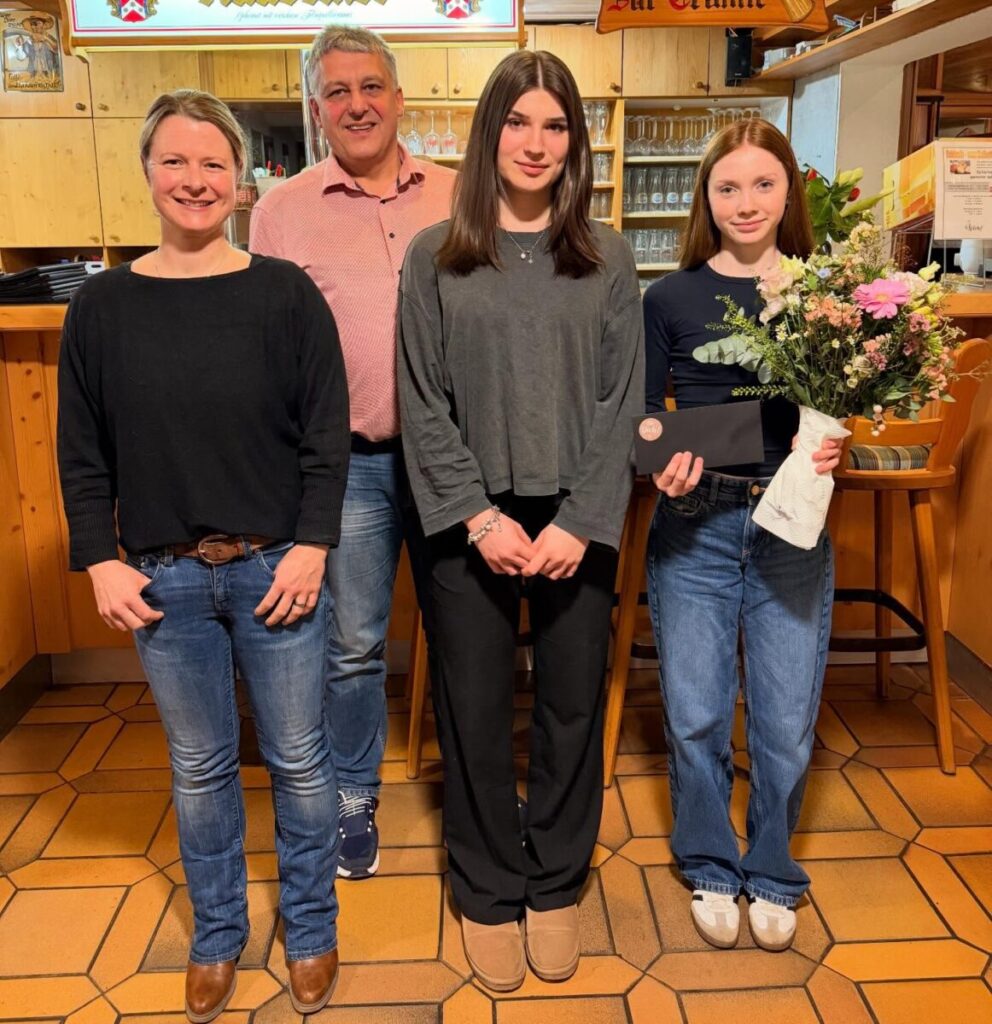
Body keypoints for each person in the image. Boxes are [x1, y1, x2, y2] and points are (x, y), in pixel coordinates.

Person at [57, 90, 350, 1021]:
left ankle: (311, 927)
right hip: (163, 579)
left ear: (241, 179)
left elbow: (326, 433)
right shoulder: (101, 306)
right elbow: (82, 450)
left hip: (275, 569)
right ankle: (218, 934)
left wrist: (314, 545)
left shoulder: (284, 293)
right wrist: (99, 558)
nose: (195, 180)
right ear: (147, 173)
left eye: (213, 163)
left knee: (300, 758)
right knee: (200, 766)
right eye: (175, 162)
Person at [398, 50, 643, 992]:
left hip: (578, 518)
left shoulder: (607, 256)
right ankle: (489, 888)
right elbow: (422, 400)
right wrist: (475, 515)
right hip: (470, 520)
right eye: (518, 122)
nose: (536, 143)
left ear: (574, 142)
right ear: (488, 132)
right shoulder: (437, 255)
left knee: (573, 704)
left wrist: (582, 519)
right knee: (473, 707)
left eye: (555, 125)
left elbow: (622, 401)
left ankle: (555, 880)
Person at [250, 27, 456, 880]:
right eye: (337, 91)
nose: (357, 104)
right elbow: (267, 351)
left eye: (371, 87)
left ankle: (474, 798)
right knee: (355, 645)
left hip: (454, 464)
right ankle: (352, 798)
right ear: (317, 109)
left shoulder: (457, 194)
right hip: (352, 466)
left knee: (464, 635)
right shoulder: (281, 211)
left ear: (399, 98)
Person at [642, 118, 842, 954]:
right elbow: (647, 415)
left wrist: (836, 436)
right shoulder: (669, 298)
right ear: (706, 198)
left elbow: (843, 395)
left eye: (763, 184)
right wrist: (661, 463)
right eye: (728, 187)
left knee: (786, 718)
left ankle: (772, 867)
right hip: (698, 521)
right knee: (695, 712)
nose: (746, 202)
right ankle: (709, 860)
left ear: (789, 191)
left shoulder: (825, 292)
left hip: (791, 525)